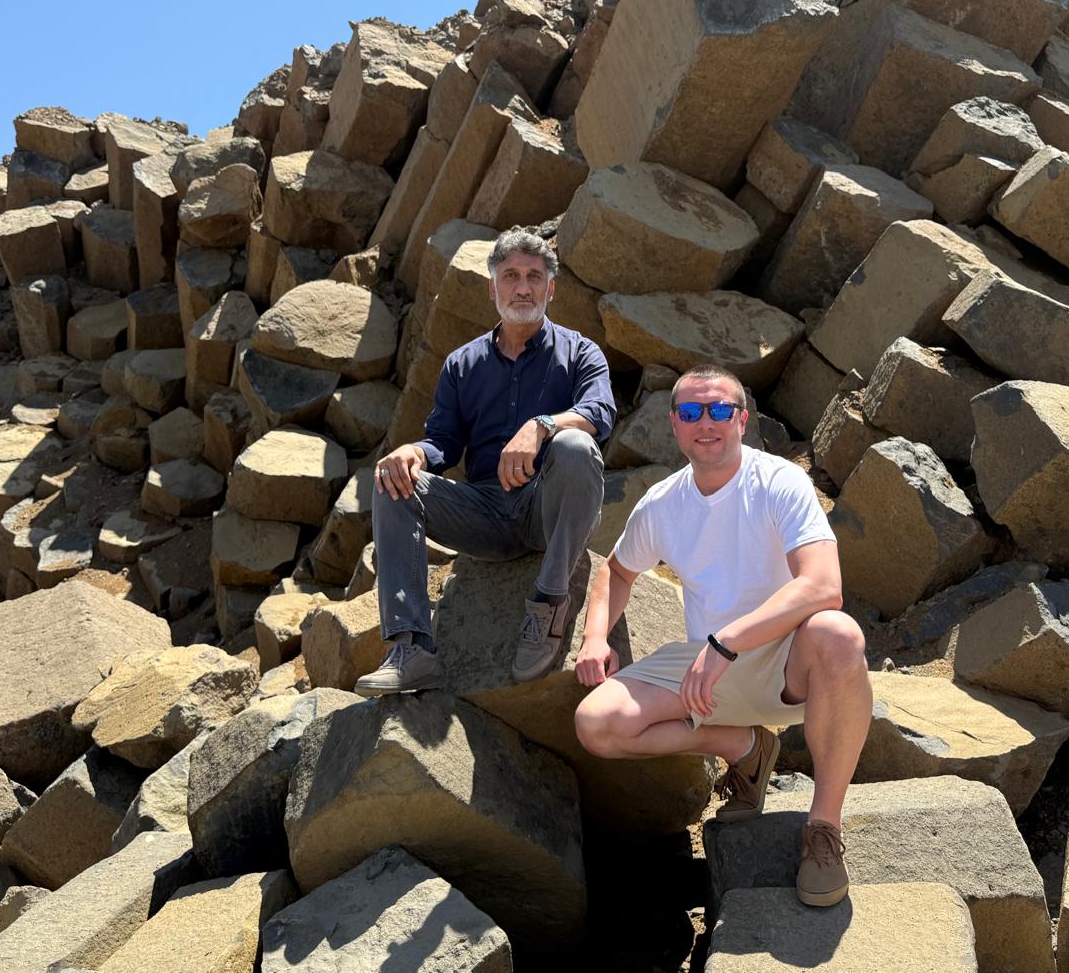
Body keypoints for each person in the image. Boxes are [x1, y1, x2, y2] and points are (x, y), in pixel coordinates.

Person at [571, 364, 870, 908]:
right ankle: (744, 748)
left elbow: (824, 585)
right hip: (709, 677)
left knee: (839, 634)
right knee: (597, 724)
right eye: (690, 412)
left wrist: (726, 641)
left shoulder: (779, 482)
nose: (704, 423)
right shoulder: (663, 503)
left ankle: (823, 828)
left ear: (742, 419)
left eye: (718, 410)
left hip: (786, 664)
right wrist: (595, 638)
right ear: (674, 424)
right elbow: (616, 571)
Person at [354, 228, 616, 696]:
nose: (523, 288)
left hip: (547, 511)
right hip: (484, 514)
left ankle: (549, 603)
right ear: (492, 288)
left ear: (551, 289)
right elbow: (443, 443)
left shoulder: (581, 352)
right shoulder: (461, 364)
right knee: (391, 481)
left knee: (576, 445)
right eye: (511, 276)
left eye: (534, 277)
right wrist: (415, 452)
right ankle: (412, 647)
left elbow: (600, 412)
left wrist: (542, 426)